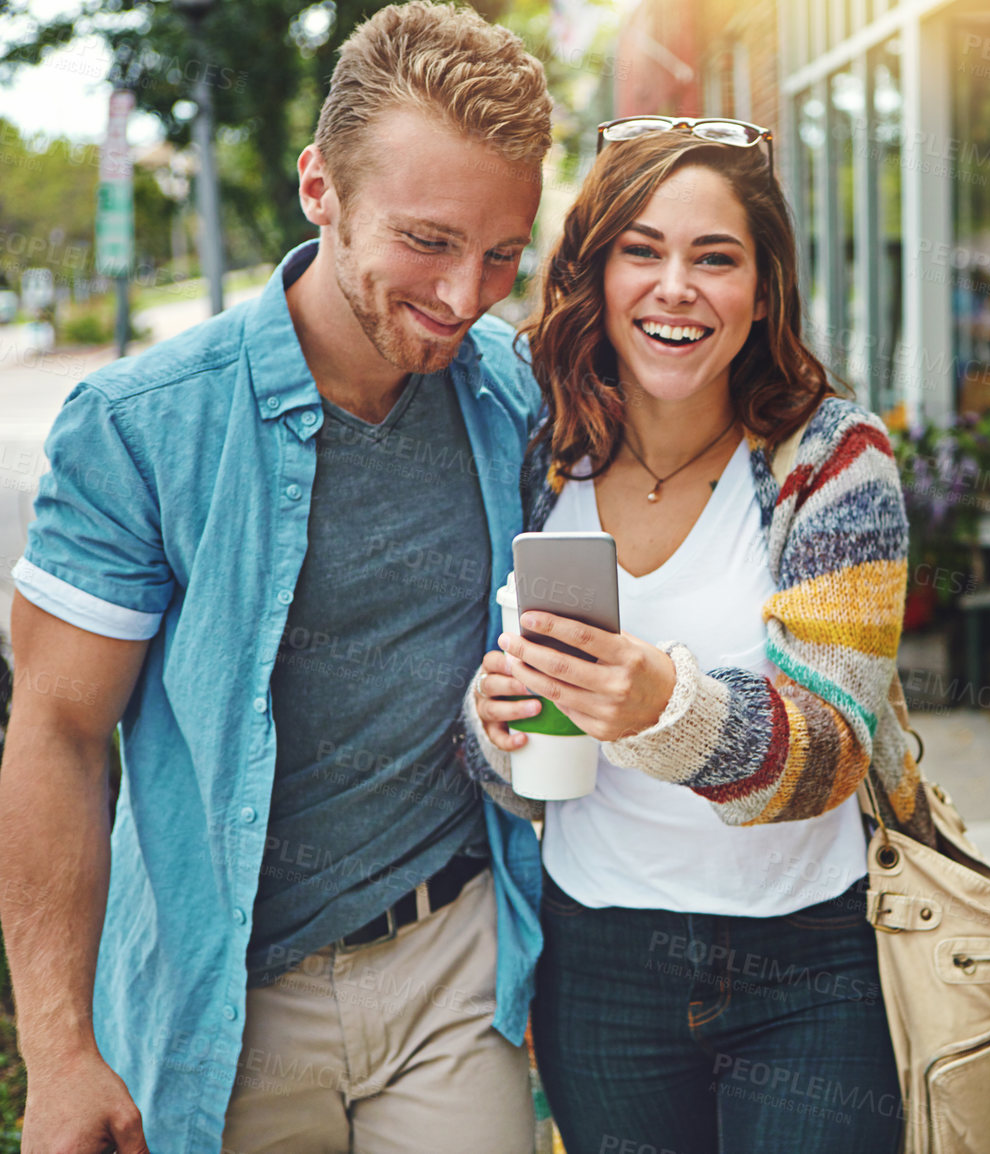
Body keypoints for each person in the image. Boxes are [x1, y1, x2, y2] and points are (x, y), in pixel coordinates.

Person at [0, 5, 552, 1152]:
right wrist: (58, 1053)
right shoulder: (142, 429)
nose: (465, 296)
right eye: (429, 241)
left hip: (454, 958)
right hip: (228, 998)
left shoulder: (517, 392)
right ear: (321, 189)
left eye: (502, 252)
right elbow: (55, 730)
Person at [464, 119, 937, 1153]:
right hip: (598, 957)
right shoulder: (537, 445)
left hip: (811, 962)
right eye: (642, 250)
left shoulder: (832, 457)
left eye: (713, 257)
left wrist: (660, 707)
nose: (674, 285)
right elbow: (507, 762)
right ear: (595, 275)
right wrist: (492, 724)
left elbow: (829, 749)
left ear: (762, 290)